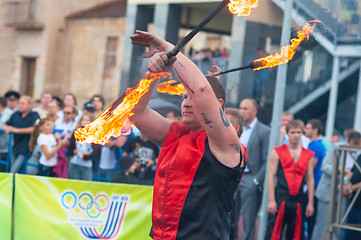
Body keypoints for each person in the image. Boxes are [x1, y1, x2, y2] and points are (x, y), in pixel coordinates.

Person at [130, 30, 246, 239]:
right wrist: (154, 74)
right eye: (183, 97)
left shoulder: (225, 141)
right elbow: (136, 112)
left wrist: (169, 49)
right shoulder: (174, 133)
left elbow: (200, 89)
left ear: (218, 106)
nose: (186, 102)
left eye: (190, 96)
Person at [311, 130, 361, 240]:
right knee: (322, 224)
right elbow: (324, 167)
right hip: (328, 191)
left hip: (343, 194)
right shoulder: (335, 148)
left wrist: (348, 185)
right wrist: (340, 170)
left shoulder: (359, 152)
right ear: (348, 141)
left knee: (338, 227)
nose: (356, 148)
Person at [238, 98, 270, 240]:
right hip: (234, 176)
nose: (242, 111)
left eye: (245, 109)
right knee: (230, 215)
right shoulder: (236, 127)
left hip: (250, 178)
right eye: (240, 108)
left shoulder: (264, 131)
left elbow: (267, 158)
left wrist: (256, 180)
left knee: (248, 219)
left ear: (254, 111)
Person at [2, 96, 39, 173]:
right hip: (15, 146)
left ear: (29, 105)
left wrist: (17, 130)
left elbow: (34, 129)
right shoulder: (16, 114)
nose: (20, 105)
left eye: (23, 103)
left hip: (26, 147)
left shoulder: (34, 115)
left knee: (14, 171)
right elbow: (5, 125)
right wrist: (8, 128)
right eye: (19, 103)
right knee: (12, 169)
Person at [303, 119, 327, 238]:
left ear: (315, 130)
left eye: (307, 128)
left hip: (314, 185)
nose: (305, 130)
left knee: (309, 218)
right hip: (315, 184)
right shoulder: (317, 144)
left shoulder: (315, 146)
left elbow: (309, 169)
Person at [68, 113, 101, 181]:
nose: (85, 122)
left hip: (87, 165)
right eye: (83, 120)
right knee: (74, 185)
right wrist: (74, 152)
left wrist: (86, 156)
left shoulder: (94, 135)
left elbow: (96, 152)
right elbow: (70, 150)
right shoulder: (76, 133)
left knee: (86, 186)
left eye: (87, 120)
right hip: (75, 164)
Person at [342, 132, 361, 239]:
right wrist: (345, 185)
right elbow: (351, 173)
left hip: (358, 203)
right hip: (354, 204)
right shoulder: (360, 156)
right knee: (349, 234)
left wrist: (351, 189)